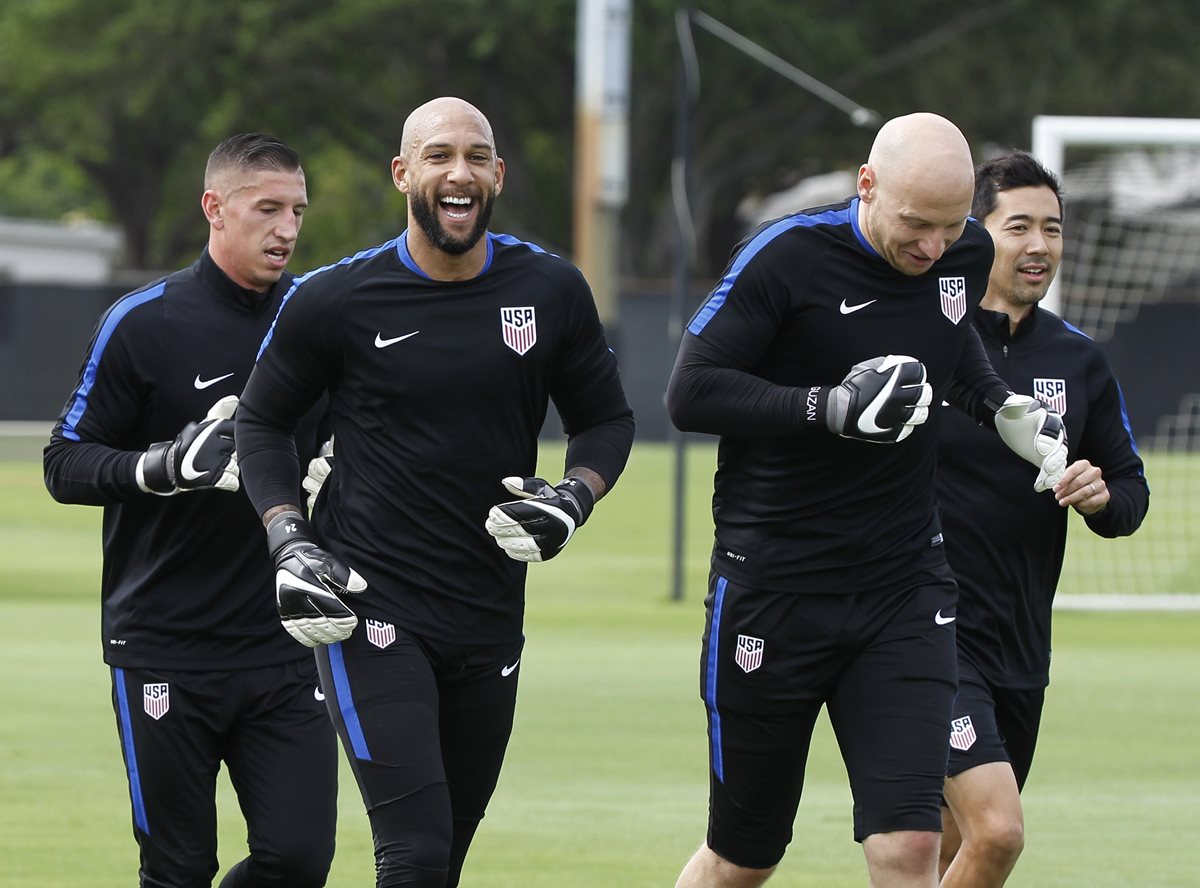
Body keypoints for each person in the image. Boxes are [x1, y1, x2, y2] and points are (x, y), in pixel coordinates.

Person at [234, 96, 635, 888]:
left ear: (498, 175)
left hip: (488, 613)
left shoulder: (551, 289)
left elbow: (606, 421)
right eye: (440, 155)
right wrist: (289, 536)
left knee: (442, 859)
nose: (460, 172)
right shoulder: (336, 297)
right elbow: (261, 425)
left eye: (477, 156)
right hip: (370, 605)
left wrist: (574, 497)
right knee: (412, 859)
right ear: (403, 173)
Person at [665, 112, 1071, 888]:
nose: (932, 249)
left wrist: (1000, 408)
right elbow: (689, 392)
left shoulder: (964, 254)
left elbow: (951, 348)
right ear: (867, 185)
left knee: (910, 845)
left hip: (903, 589)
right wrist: (829, 407)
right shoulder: (785, 257)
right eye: (916, 224)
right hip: (773, 588)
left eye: (951, 228)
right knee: (743, 858)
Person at [43, 134, 337, 886]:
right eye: (267, 208)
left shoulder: (317, 317)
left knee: (299, 859)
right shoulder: (142, 323)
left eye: (297, 210)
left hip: (281, 644)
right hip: (163, 645)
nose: (287, 228)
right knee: (177, 870)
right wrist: (162, 467)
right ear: (214, 208)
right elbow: (64, 462)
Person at [935, 150, 1150, 886]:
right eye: (1018, 226)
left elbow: (1130, 495)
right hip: (926, 632)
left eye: (1052, 229)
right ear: (974, 233)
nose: (1039, 246)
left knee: (943, 850)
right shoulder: (928, 342)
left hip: (1022, 644)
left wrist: (1099, 494)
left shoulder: (1080, 360)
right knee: (998, 834)